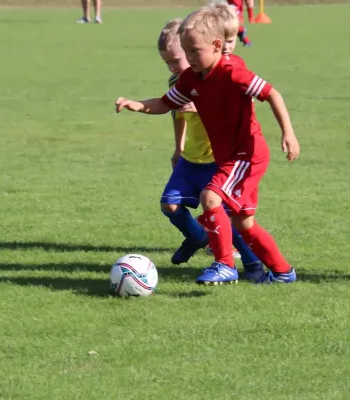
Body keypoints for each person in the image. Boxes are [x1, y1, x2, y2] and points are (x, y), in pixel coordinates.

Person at [115, 6, 300, 285]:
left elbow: (271, 92)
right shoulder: (191, 78)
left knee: (210, 198)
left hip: (247, 154)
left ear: (216, 46)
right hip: (231, 157)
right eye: (186, 52)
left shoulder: (233, 72)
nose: (189, 58)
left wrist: (288, 133)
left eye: (194, 51)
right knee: (244, 224)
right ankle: (283, 272)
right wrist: (137, 105)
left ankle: (225, 264)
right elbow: (165, 104)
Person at [156, 14, 265, 281]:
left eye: (176, 60)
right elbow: (177, 115)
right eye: (166, 62)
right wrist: (178, 148)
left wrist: (203, 107)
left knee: (230, 217)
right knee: (170, 205)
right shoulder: (179, 83)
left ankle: (253, 265)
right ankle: (197, 237)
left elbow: (236, 110)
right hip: (192, 158)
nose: (172, 67)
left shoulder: (220, 76)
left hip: (221, 158)